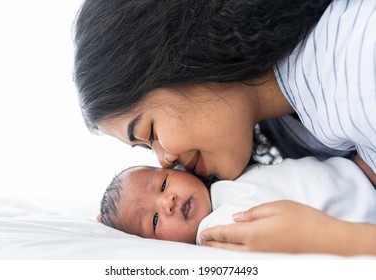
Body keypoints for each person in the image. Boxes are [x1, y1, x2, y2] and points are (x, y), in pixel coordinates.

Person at [74, 0, 376, 254]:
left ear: (181, 60)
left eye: (150, 133)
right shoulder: (302, 120)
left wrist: (334, 239)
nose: (164, 160)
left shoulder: (357, 69)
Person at [98, 157, 376, 248]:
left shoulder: (225, 175)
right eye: (155, 220)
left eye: (163, 184)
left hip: (358, 170)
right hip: (361, 217)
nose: (167, 202)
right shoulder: (215, 234)